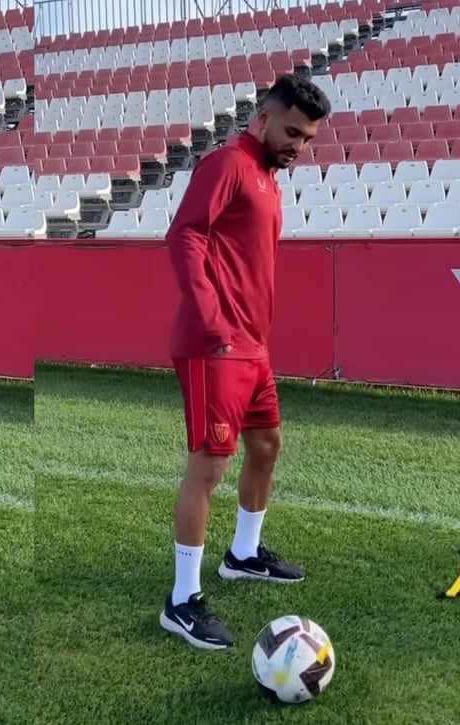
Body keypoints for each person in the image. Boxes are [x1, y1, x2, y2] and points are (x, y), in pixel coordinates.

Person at [160, 73, 331, 650]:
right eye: (291, 132)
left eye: (306, 138)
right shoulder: (228, 164)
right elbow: (185, 234)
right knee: (208, 466)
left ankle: (243, 554)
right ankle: (181, 601)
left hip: (253, 347)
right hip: (217, 346)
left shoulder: (268, 178)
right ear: (263, 116)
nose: (297, 146)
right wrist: (212, 321)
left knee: (266, 445)